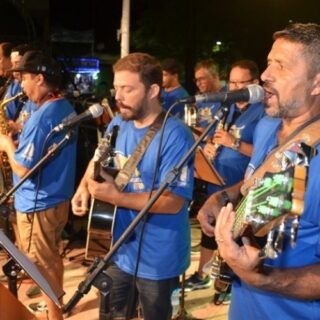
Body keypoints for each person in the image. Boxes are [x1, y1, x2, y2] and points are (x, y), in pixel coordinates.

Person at [198, 23, 320, 319]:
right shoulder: (267, 126)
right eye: (268, 63)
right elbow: (255, 182)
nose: (265, 75)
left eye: (281, 66)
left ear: (316, 83)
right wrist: (223, 197)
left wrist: (260, 277)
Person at [72, 52, 194, 320]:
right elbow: (98, 157)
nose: (118, 97)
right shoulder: (118, 122)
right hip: (119, 248)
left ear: (152, 90)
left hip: (158, 255)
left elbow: (173, 201)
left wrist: (116, 198)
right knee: (112, 313)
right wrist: (82, 187)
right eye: (116, 88)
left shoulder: (176, 135)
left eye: (127, 89)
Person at [0, 50, 78, 320]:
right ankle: (56, 305)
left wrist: (8, 146)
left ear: (40, 79)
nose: (21, 85)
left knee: (38, 267)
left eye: (24, 78)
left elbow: (24, 167)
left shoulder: (42, 116)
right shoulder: (64, 106)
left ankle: (54, 315)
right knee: (52, 259)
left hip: (38, 203)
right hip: (57, 199)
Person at [185, 60, 265, 294]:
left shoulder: (262, 112)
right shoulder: (227, 106)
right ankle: (205, 274)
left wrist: (235, 143)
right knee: (212, 231)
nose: (236, 87)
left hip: (241, 186)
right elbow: (214, 136)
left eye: (242, 82)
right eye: (232, 82)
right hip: (217, 183)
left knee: (238, 237)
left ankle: (231, 282)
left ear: (255, 83)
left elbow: (266, 154)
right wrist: (210, 146)